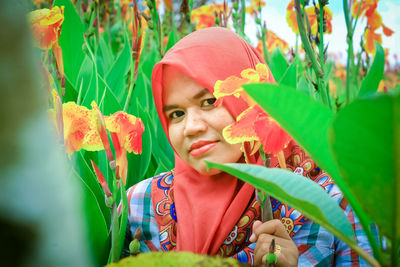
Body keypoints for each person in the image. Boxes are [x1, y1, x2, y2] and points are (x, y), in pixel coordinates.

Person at [125, 27, 374, 266]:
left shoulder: (335, 201)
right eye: (176, 113)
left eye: (210, 101)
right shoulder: (139, 205)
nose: (190, 127)